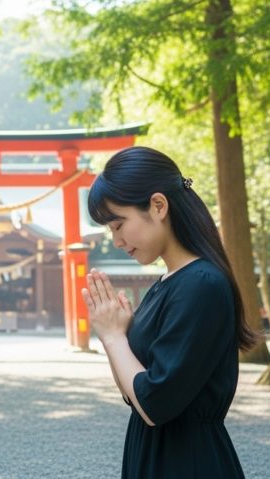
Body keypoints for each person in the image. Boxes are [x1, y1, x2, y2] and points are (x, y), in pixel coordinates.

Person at [81, 146, 257, 478]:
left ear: (158, 206)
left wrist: (116, 337)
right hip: (153, 453)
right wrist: (113, 336)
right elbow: (133, 395)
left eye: (118, 224)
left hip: (187, 461)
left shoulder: (201, 284)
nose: (116, 241)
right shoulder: (166, 285)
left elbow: (154, 404)